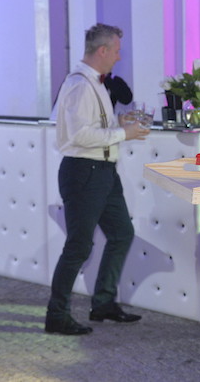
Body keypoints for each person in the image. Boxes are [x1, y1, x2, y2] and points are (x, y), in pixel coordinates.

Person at [45, 23, 149, 335]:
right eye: (116, 50)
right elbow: (79, 135)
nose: (119, 57)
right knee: (79, 245)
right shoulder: (80, 84)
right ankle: (56, 315)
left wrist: (118, 122)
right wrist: (123, 133)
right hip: (84, 172)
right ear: (102, 50)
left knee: (121, 233)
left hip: (103, 172)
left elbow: (91, 127)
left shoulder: (94, 83)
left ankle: (103, 303)